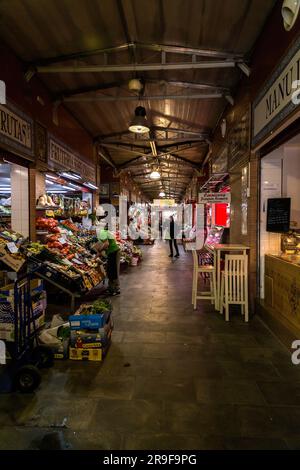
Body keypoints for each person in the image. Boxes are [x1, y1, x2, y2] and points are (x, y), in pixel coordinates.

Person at [94, 206, 121, 296]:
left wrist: (99, 251)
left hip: (113, 252)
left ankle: (115, 289)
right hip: (114, 252)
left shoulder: (102, 232)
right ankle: (111, 288)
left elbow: (106, 244)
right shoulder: (104, 231)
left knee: (112, 272)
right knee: (111, 271)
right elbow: (102, 243)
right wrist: (98, 252)